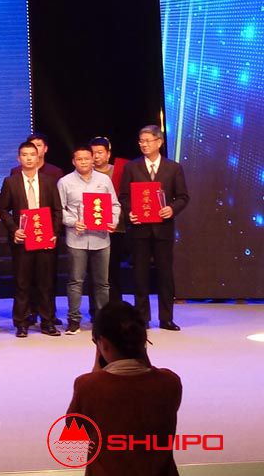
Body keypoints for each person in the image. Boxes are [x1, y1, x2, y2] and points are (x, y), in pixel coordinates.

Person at [66, 300, 182, 476]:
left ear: (102, 343)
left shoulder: (87, 386)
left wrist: (97, 366)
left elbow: (75, 427)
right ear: (143, 340)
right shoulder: (170, 382)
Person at [118, 125, 189, 331]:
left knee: (165, 274)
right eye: (141, 141)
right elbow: (124, 196)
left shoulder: (173, 168)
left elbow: (183, 197)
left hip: (163, 229)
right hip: (139, 229)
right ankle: (142, 318)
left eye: (148, 141)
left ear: (159, 142)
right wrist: (130, 212)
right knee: (140, 275)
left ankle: (166, 318)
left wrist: (171, 209)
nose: (144, 144)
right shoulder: (131, 167)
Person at [0, 141, 63, 337]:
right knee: (22, 283)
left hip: (45, 238)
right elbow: (3, 209)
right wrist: (14, 230)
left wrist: (54, 233)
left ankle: (47, 321)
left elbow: (57, 210)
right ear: (19, 158)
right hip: (23, 239)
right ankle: (21, 322)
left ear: (38, 157)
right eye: (24, 155)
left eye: (32, 155)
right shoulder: (11, 181)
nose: (28, 158)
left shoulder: (49, 181)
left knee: (45, 282)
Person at [57, 146, 121, 334]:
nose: (84, 162)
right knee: (76, 281)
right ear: (73, 161)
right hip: (76, 238)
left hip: (101, 238)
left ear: (93, 160)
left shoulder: (104, 180)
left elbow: (115, 204)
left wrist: (113, 220)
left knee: (102, 283)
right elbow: (59, 209)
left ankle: (102, 321)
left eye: (87, 158)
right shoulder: (65, 182)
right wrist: (72, 222)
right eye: (79, 159)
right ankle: (74, 320)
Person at [89, 136, 129, 304]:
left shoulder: (120, 170)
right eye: (93, 153)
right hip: (93, 229)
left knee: (113, 269)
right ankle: (96, 308)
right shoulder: (86, 172)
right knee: (94, 271)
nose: (96, 156)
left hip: (116, 228)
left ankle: (115, 305)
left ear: (108, 154)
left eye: (100, 152)